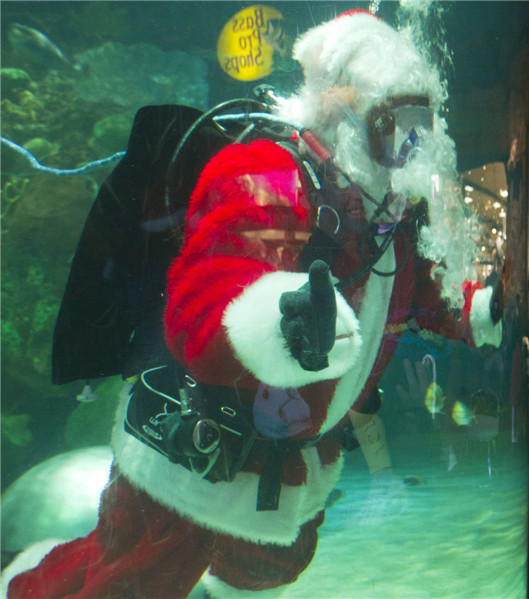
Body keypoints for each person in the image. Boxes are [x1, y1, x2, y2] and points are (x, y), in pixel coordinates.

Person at [6, 10, 502, 599]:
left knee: (268, 566)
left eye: (422, 123)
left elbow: (416, 295)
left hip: (284, 456)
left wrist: (477, 308)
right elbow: (200, 299)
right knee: (130, 579)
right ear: (345, 114)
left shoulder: (385, 218)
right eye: (393, 123)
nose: (411, 146)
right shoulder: (265, 171)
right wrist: (283, 326)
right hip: (195, 450)